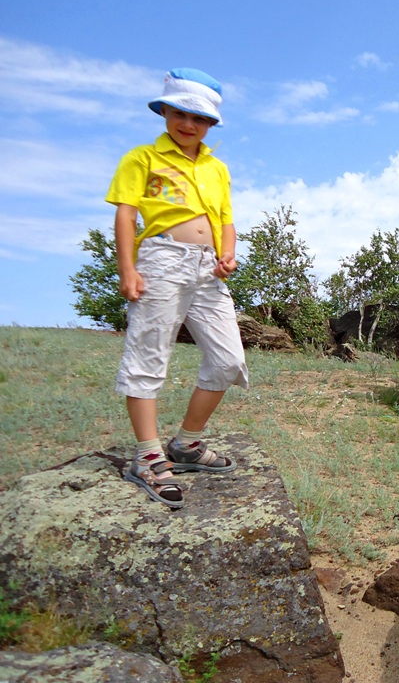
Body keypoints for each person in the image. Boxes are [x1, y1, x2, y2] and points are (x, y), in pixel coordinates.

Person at [106, 68, 249, 508]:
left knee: (228, 360)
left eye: (200, 118)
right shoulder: (142, 159)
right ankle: (148, 457)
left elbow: (225, 220)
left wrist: (228, 254)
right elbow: (127, 215)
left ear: (211, 125)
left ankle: (186, 444)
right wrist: (127, 269)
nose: (189, 124)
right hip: (162, 261)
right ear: (165, 111)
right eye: (181, 113)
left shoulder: (216, 167)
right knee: (149, 356)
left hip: (208, 270)